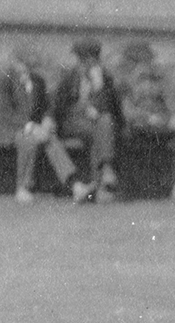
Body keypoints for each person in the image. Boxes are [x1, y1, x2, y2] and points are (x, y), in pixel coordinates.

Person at [117, 40, 175, 201]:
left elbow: (173, 105)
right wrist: (148, 117)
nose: (147, 65)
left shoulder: (160, 80)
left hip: (162, 128)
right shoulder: (126, 84)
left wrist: (172, 116)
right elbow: (127, 112)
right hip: (139, 127)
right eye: (143, 62)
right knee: (173, 129)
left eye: (149, 61)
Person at [0, 46, 79, 202]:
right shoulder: (5, 82)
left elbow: (47, 106)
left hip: (34, 129)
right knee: (29, 139)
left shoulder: (37, 81)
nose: (25, 71)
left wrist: (48, 119)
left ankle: (75, 185)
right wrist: (31, 127)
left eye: (28, 67)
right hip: (11, 128)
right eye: (21, 66)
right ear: (14, 64)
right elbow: (5, 114)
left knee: (50, 138)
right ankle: (22, 188)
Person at [49, 37, 123, 203]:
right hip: (71, 123)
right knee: (103, 127)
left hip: (95, 125)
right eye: (82, 60)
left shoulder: (105, 78)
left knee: (103, 123)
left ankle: (101, 182)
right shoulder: (70, 75)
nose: (85, 64)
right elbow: (56, 104)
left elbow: (115, 109)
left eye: (90, 59)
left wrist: (99, 89)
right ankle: (105, 175)